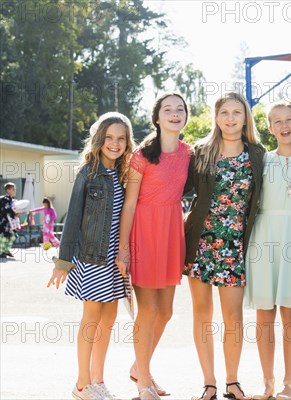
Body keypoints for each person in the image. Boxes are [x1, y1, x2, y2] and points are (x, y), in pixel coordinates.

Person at [47, 112, 135, 400]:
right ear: (99, 139)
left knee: (109, 318)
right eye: (109, 137)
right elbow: (73, 218)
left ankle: (97, 379)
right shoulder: (89, 172)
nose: (115, 143)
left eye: (121, 138)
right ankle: (82, 384)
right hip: (92, 257)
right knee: (91, 318)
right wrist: (63, 261)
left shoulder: (124, 174)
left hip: (114, 260)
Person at [183, 92, 265, 400]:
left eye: (237, 113)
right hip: (199, 243)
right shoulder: (201, 152)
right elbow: (178, 186)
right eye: (224, 113)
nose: (230, 118)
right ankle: (209, 383)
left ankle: (232, 381)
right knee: (202, 313)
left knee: (233, 317)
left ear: (245, 118)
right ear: (216, 117)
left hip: (234, 246)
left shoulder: (257, 153)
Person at [116, 93, 192, 400]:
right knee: (146, 310)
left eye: (180, 109)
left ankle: (139, 365)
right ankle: (143, 382)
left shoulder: (190, 152)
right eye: (167, 109)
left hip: (173, 230)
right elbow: (130, 203)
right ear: (157, 117)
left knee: (166, 311)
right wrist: (123, 248)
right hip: (144, 231)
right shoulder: (142, 155)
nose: (175, 114)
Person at [245, 101, 291, 400]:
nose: (284, 125)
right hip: (263, 236)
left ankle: (290, 384)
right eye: (277, 121)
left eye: (289, 119)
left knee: (290, 313)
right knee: (264, 314)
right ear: (270, 127)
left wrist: (289, 212)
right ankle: (267, 383)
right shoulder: (262, 158)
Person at [0, 182, 19, 258]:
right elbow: (6, 210)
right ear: (8, 190)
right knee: (5, 236)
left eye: (15, 189)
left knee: (13, 235)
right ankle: (2, 251)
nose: (15, 191)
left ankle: (5, 250)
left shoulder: (12, 200)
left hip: (10, 221)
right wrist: (15, 213)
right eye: (13, 189)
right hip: (4, 221)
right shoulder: (5, 199)